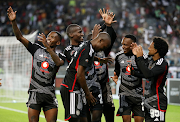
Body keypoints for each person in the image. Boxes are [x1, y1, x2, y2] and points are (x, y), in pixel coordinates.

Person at [7, 6, 65, 122]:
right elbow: (19, 37)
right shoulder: (36, 49)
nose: (49, 38)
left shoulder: (60, 56)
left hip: (50, 96)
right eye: (48, 36)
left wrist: (48, 47)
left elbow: (58, 63)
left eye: (52, 37)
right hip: (35, 94)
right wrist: (13, 22)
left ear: (58, 42)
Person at [60, 31, 111, 122]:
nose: (101, 50)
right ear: (100, 40)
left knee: (82, 118)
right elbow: (80, 74)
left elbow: (85, 56)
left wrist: (99, 59)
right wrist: (87, 94)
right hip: (71, 86)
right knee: (75, 118)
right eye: (103, 47)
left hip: (75, 86)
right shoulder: (87, 49)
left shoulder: (88, 46)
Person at [86, 8, 117, 122]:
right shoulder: (84, 51)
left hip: (104, 85)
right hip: (90, 86)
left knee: (109, 108)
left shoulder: (103, 50)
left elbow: (110, 38)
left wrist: (107, 26)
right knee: (91, 112)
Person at [130, 37, 169, 122]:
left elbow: (148, 74)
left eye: (150, 47)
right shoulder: (151, 61)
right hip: (147, 100)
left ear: (156, 50)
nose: (148, 48)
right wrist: (136, 55)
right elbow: (144, 70)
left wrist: (139, 58)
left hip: (157, 101)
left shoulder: (162, 63)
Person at [111, 35, 144, 122]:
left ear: (132, 45)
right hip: (124, 93)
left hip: (138, 94)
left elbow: (145, 73)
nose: (123, 46)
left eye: (125, 45)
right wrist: (115, 77)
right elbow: (117, 71)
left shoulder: (141, 57)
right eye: (122, 44)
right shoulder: (118, 56)